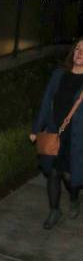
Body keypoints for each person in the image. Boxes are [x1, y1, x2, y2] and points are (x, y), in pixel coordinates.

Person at [30, 37, 83, 229]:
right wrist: (37, 129)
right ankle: (54, 210)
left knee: (70, 176)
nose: (80, 53)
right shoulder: (59, 74)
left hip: (78, 137)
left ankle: (75, 197)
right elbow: (46, 102)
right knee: (53, 172)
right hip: (55, 132)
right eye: (77, 48)